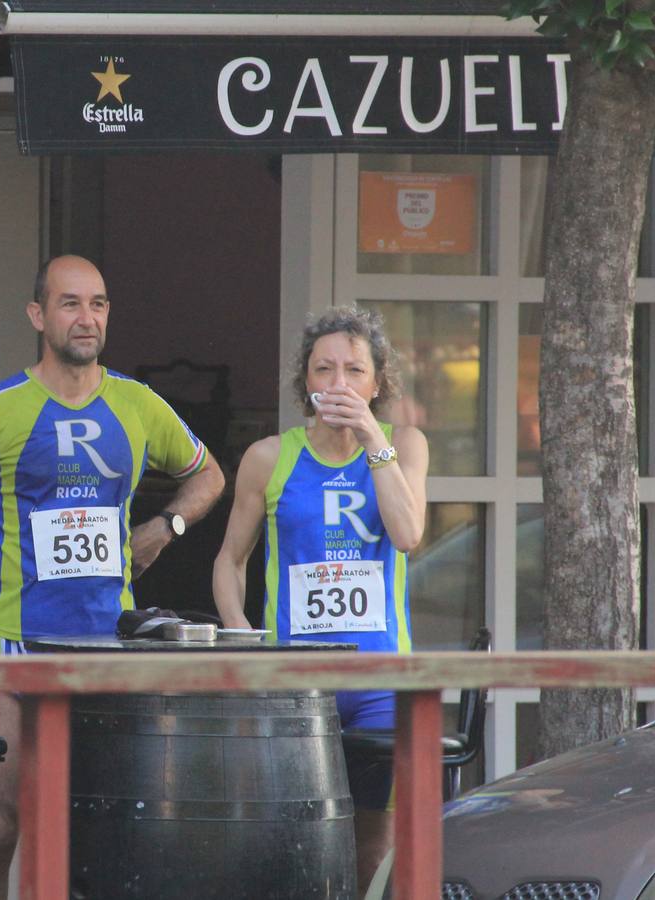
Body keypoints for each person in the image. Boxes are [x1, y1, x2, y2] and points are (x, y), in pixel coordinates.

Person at [0, 254, 225, 899]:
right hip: (11, 645)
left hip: (107, 646)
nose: (87, 317)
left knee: (94, 824)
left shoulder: (137, 403)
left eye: (99, 303)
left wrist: (165, 530)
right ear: (37, 315)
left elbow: (210, 474)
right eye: (71, 303)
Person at [212, 305, 428, 895]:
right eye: (323, 369)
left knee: (372, 842)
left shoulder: (403, 445)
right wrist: (243, 638)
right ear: (304, 383)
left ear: (377, 383)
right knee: (294, 834)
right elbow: (230, 561)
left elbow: (408, 536)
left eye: (354, 370)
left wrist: (371, 436)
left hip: (382, 679)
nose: (337, 384)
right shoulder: (268, 457)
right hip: (297, 681)